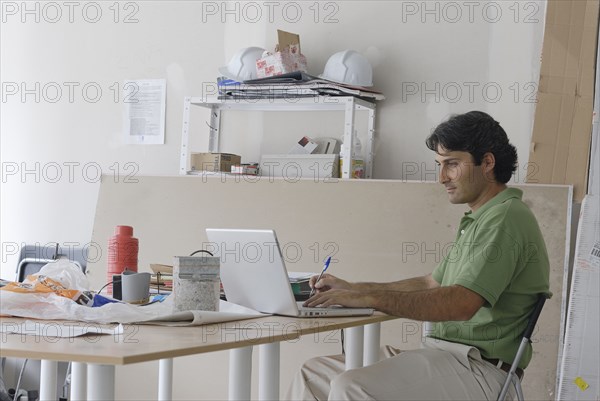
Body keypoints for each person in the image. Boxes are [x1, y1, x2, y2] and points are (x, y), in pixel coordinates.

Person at [286, 111, 550, 401]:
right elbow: (430, 284)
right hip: (446, 355)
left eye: (451, 164)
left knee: (352, 386)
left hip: (481, 370)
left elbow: (461, 305)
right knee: (314, 375)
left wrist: (370, 299)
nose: (441, 178)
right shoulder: (481, 218)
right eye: (439, 165)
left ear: (487, 163)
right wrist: (354, 288)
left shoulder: (505, 219)